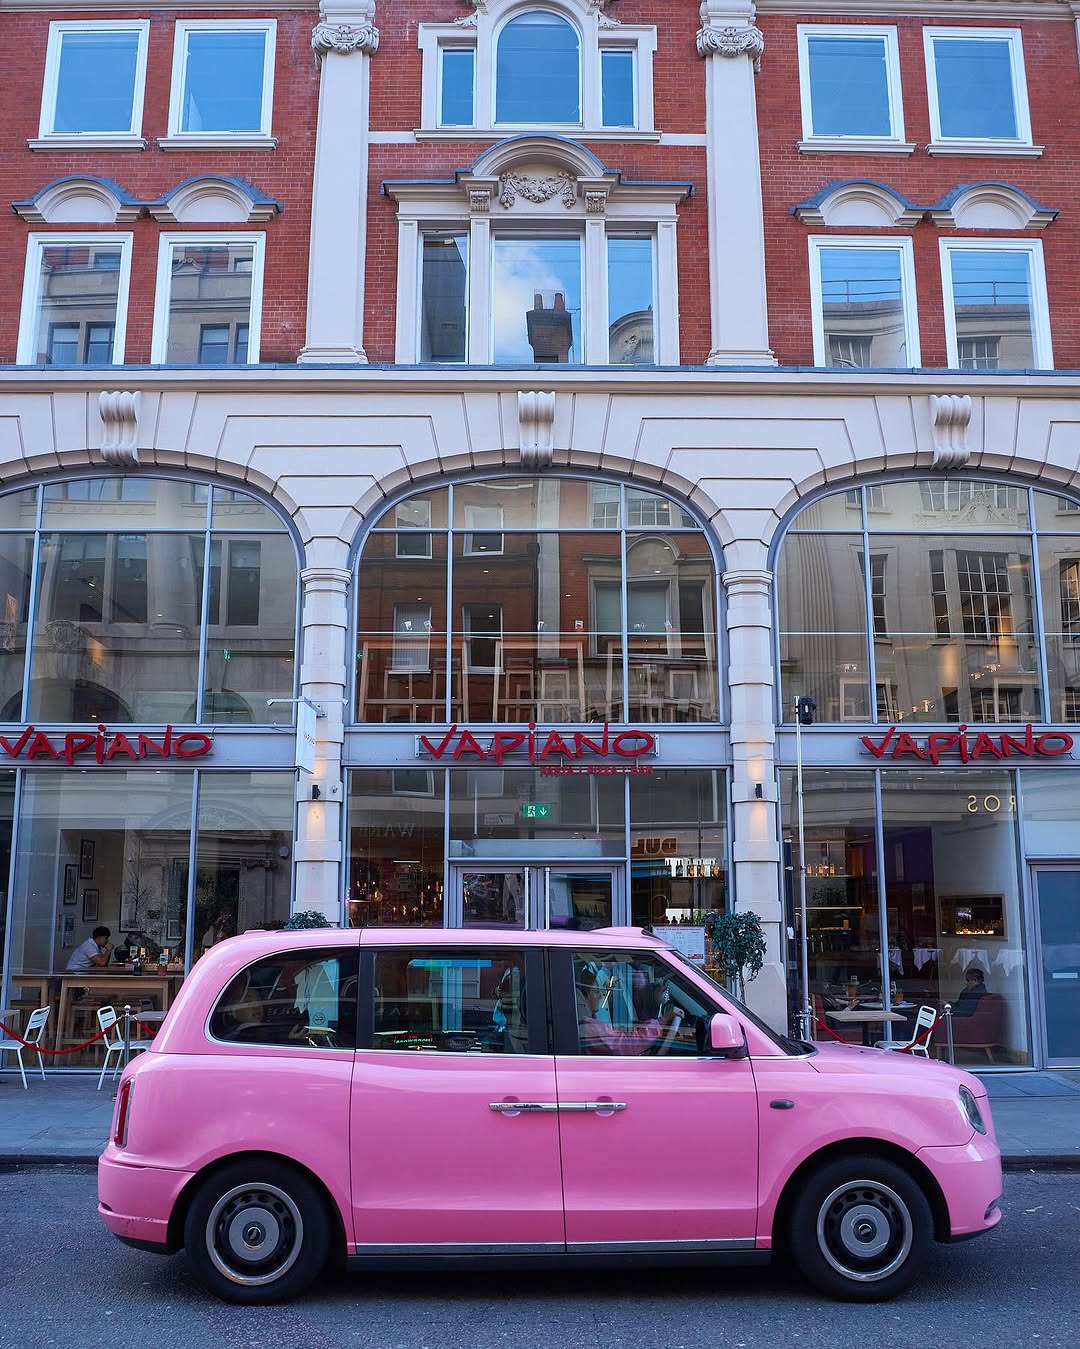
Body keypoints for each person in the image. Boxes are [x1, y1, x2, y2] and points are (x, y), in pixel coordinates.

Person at [577, 970, 684, 1055]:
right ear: (581, 997)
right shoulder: (589, 1027)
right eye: (596, 992)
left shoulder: (588, 1024)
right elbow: (627, 1045)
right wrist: (663, 1020)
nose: (600, 996)